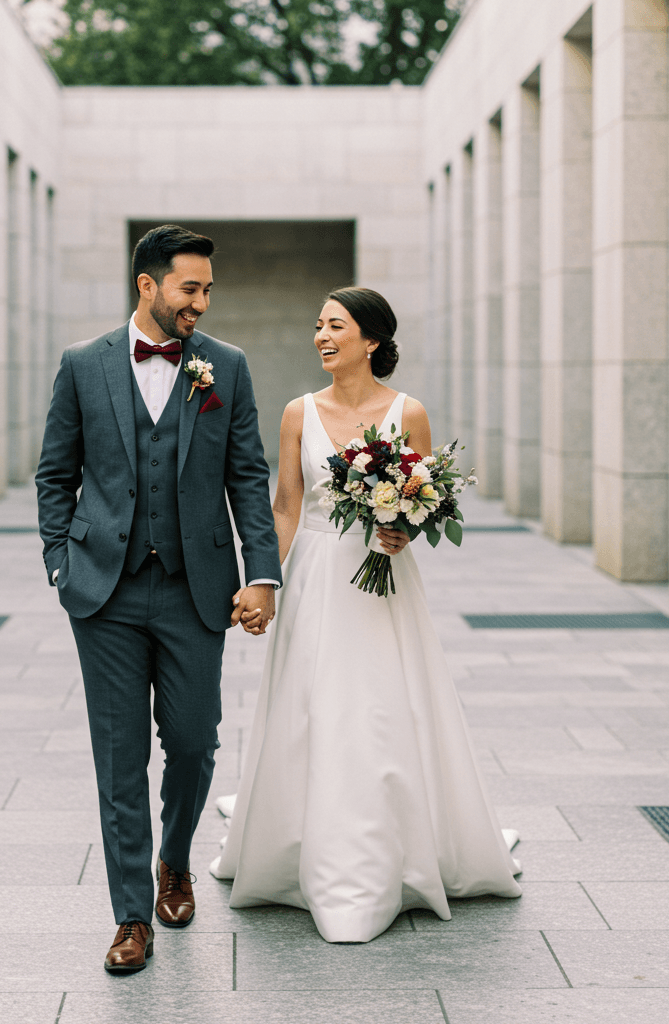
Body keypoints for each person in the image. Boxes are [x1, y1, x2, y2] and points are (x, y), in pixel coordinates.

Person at [210, 286, 521, 943]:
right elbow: (286, 506)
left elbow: (429, 498)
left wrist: (403, 526)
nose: (322, 336)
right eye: (317, 325)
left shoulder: (409, 412)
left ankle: (396, 847)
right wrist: (263, 580)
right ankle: (305, 842)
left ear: (372, 339)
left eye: (336, 326)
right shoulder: (299, 412)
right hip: (319, 575)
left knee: (384, 705)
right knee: (315, 704)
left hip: (385, 579)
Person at [35, 224, 282, 974]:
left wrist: (262, 574)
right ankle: (131, 917)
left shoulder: (226, 369)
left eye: (207, 290)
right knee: (119, 759)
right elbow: (54, 474)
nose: (201, 303)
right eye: (190, 288)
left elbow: (248, 474)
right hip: (103, 594)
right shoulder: (84, 366)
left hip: (194, 590)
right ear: (147, 286)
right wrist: (58, 562)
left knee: (194, 742)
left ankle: (174, 859)